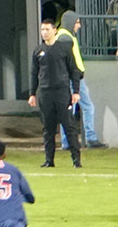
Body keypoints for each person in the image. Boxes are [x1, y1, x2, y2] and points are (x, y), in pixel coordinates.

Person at [27, 19, 82, 168]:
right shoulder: (38, 51)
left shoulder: (63, 48)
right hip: (45, 93)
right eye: (42, 30)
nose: (44, 32)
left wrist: (75, 91)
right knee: (48, 129)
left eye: (47, 29)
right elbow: (34, 73)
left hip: (62, 92)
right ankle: (49, 160)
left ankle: (76, 160)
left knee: (69, 126)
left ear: (54, 31)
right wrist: (32, 93)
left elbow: (74, 70)